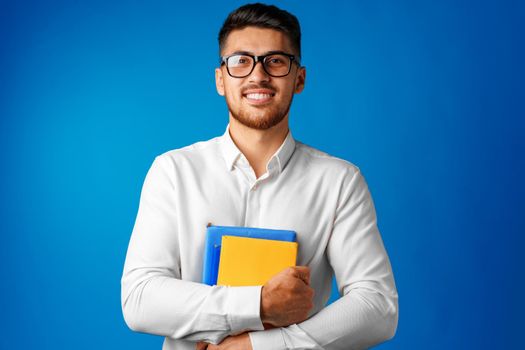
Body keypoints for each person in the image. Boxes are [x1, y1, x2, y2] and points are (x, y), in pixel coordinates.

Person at [121, 3, 398, 350]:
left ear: (299, 78)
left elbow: (378, 306)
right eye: (240, 61)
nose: (258, 75)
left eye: (276, 61)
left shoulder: (340, 182)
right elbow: (140, 299)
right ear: (221, 79)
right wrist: (261, 304)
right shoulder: (173, 172)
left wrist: (258, 346)